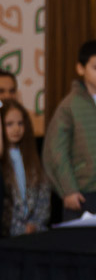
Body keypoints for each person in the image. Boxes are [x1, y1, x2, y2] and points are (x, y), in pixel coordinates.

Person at [43, 40, 96, 219]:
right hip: (83, 190)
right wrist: (68, 189)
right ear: (80, 68)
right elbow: (56, 151)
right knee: (84, 235)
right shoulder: (70, 105)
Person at [0, 100, 50, 236]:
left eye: (20, 123)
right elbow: (5, 205)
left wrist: (35, 225)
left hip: (34, 233)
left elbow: (43, 195)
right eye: (9, 124)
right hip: (8, 234)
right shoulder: (2, 161)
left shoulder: (32, 157)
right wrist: (19, 228)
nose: (16, 129)